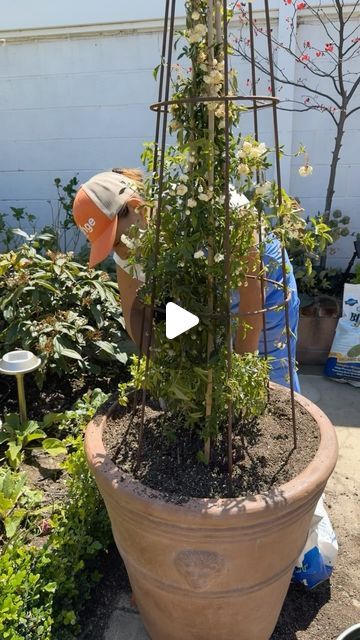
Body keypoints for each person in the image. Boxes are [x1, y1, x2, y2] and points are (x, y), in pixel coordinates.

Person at [73, 168, 300, 391]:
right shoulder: (128, 246)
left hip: (264, 279)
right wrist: (170, 370)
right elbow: (135, 318)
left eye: (116, 241)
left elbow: (252, 296)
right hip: (214, 286)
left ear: (136, 207)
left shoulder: (201, 203)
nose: (121, 253)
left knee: (271, 375)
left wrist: (240, 374)